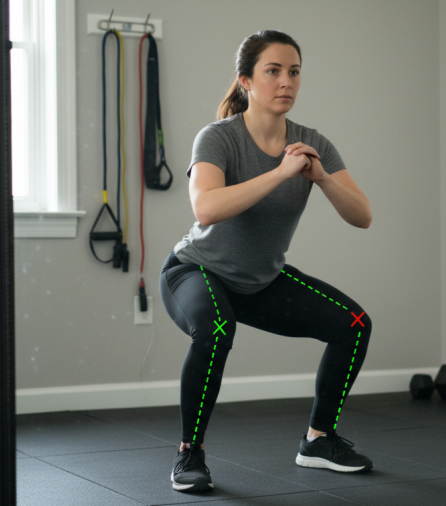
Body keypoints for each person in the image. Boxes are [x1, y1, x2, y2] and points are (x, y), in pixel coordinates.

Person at [159, 29, 374, 493]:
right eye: (273, 71)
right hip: (197, 271)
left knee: (354, 324)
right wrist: (280, 172)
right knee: (217, 329)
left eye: (293, 72)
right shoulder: (218, 138)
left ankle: (318, 440)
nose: (286, 82)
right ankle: (188, 454)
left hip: (261, 280)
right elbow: (207, 208)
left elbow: (363, 216)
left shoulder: (312, 142)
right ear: (246, 82)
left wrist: (321, 177)